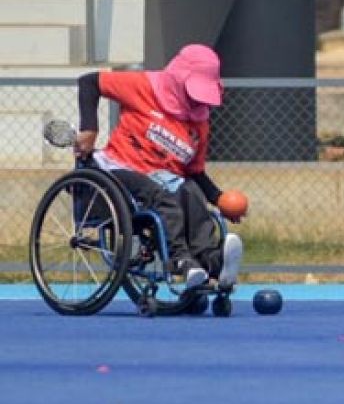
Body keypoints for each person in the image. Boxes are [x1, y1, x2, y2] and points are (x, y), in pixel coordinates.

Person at [73, 43, 243, 290]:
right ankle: (180, 260)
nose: (197, 101)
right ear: (178, 79)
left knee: (191, 193)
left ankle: (212, 261)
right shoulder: (144, 86)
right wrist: (89, 129)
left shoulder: (199, 123)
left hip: (164, 178)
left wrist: (219, 199)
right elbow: (89, 82)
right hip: (120, 168)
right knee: (161, 195)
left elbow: (194, 171)